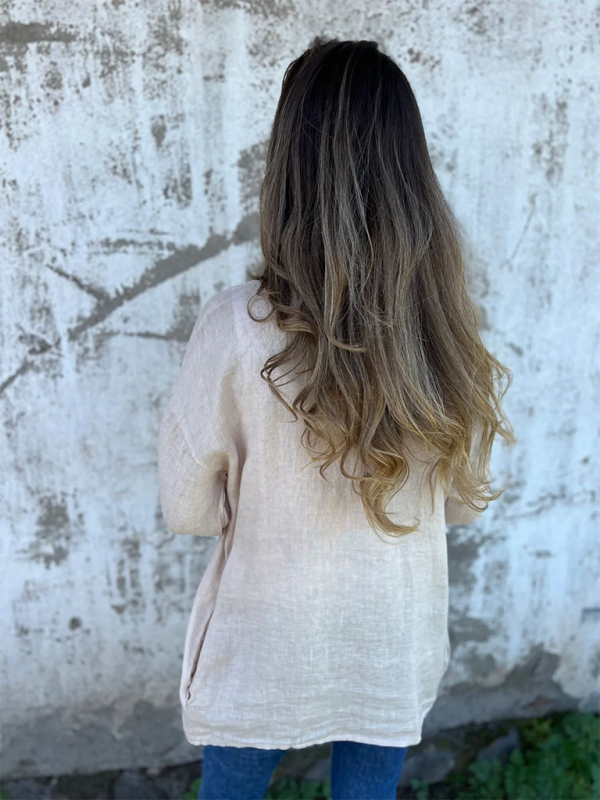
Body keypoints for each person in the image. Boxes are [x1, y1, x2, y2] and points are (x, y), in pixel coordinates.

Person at [157, 36, 516, 800]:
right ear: (411, 173)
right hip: (391, 637)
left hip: (266, 642)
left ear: (290, 168)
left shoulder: (235, 325)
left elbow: (186, 508)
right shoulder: (445, 329)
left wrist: (269, 502)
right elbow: (462, 502)